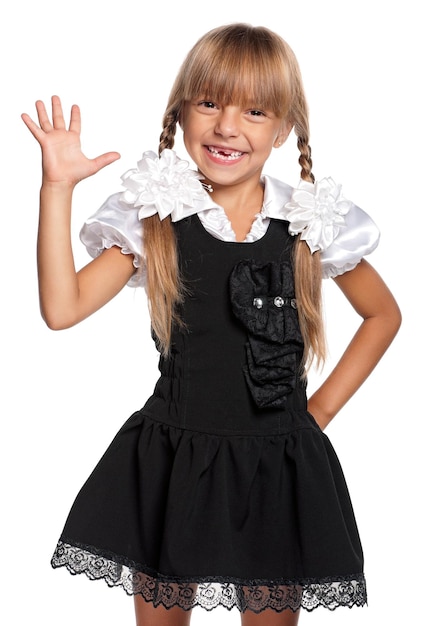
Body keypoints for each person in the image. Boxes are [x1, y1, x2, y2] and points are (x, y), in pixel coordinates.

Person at [22, 23, 401, 626]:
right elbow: (61, 309)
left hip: (275, 465)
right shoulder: (154, 221)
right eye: (209, 102)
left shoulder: (308, 223)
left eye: (254, 110)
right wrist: (56, 189)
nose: (227, 126)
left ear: (283, 129)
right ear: (183, 112)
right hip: (173, 458)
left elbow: (384, 315)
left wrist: (319, 413)